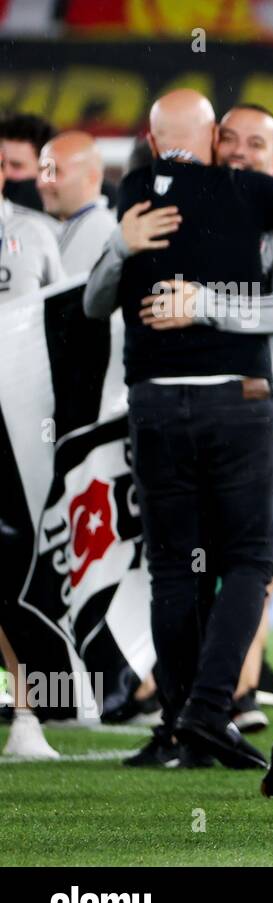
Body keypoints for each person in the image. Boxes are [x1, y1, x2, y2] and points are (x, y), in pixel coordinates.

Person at [81, 89, 273, 770]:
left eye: (254, 145)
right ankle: (196, 717)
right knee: (210, 565)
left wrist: (204, 303)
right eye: (229, 140)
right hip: (236, 408)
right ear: (211, 145)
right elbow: (99, 300)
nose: (239, 152)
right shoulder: (195, 204)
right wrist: (123, 252)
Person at [0, 136, 67, 761]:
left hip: (19, 423)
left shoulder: (37, 233)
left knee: (15, 560)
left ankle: (26, 710)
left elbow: (66, 325)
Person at [36, 131, 116, 275]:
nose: (41, 183)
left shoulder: (96, 228)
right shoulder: (81, 223)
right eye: (41, 171)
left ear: (91, 178)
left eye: (55, 172)